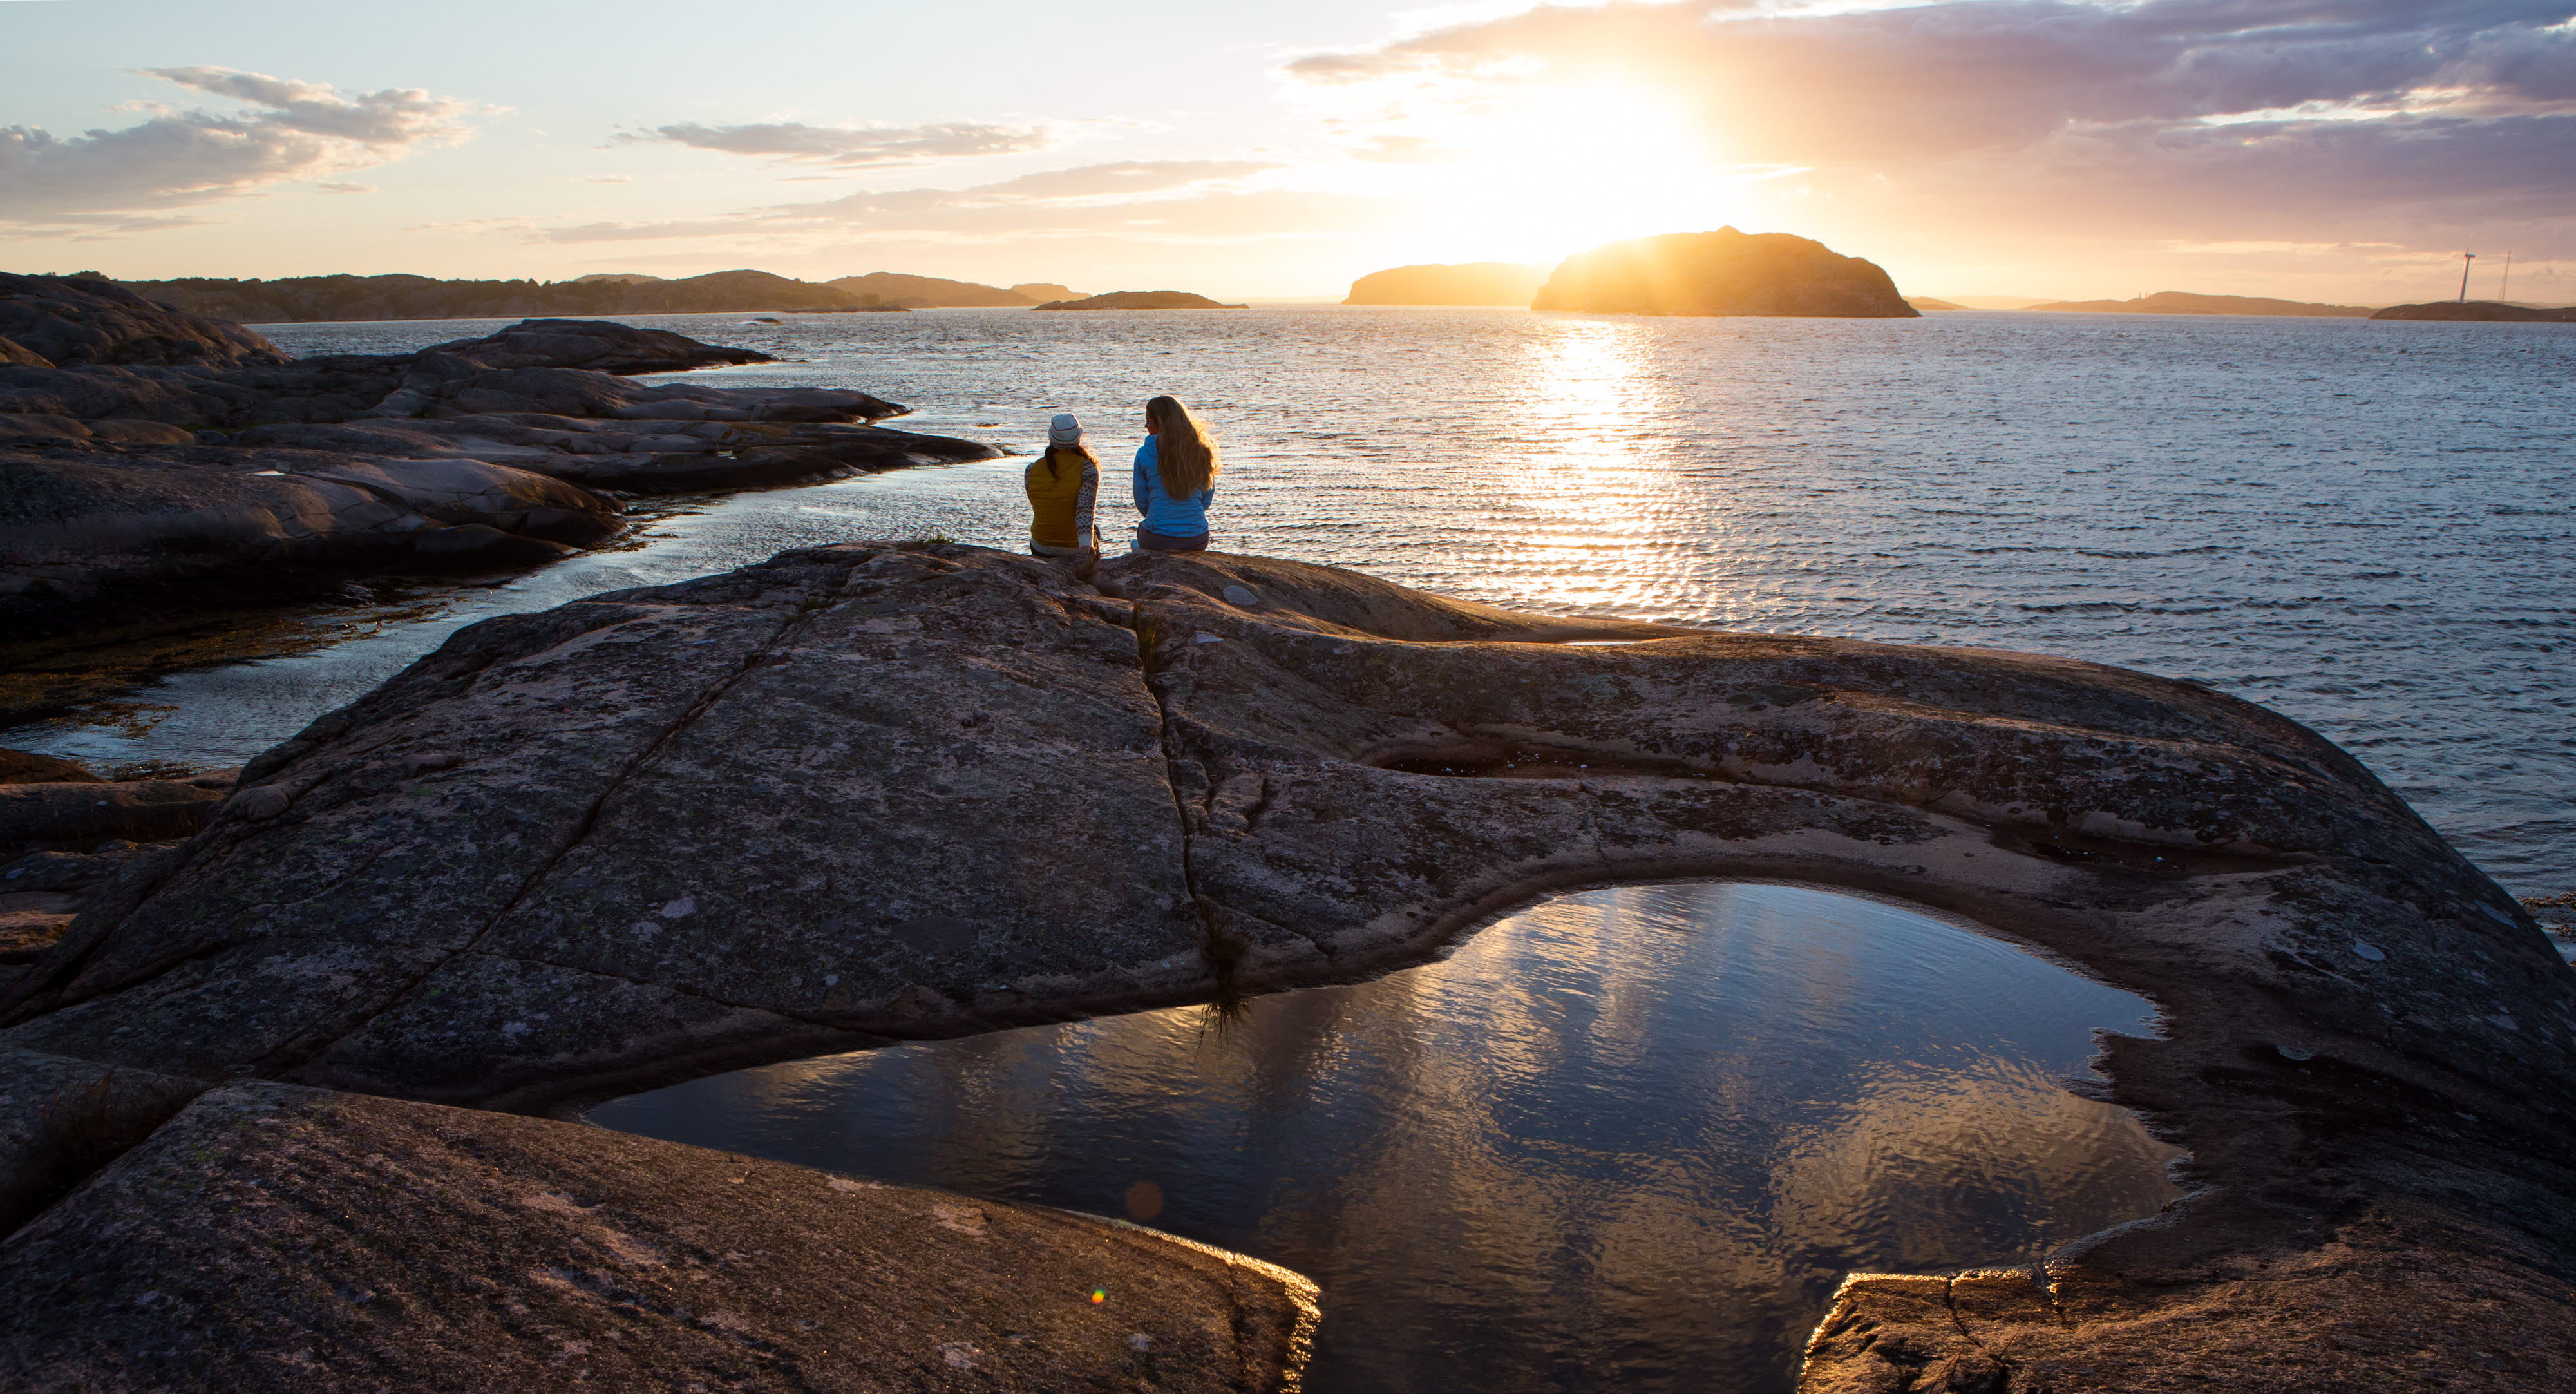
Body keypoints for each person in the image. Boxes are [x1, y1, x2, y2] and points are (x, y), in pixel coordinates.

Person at [1132, 394, 1219, 553]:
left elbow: (1142, 502)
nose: (1146, 426)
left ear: (1160, 422)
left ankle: (1145, 551)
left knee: (1140, 534)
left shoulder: (1144, 454)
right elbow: (1206, 500)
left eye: (1148, 420)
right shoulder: (1201, 452)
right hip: (1196, 538)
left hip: (1156, 539)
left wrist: (1164, 520)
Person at [1024, 412, 1098, 558]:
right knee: (1096, 530)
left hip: (1041, 546)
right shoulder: (1088, 468)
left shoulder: (1031, 469)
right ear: (1079, 437)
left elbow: (1040, 505)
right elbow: (1085, 510)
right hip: (1074, 547)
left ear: (1051, 437)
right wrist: (1085, 545)